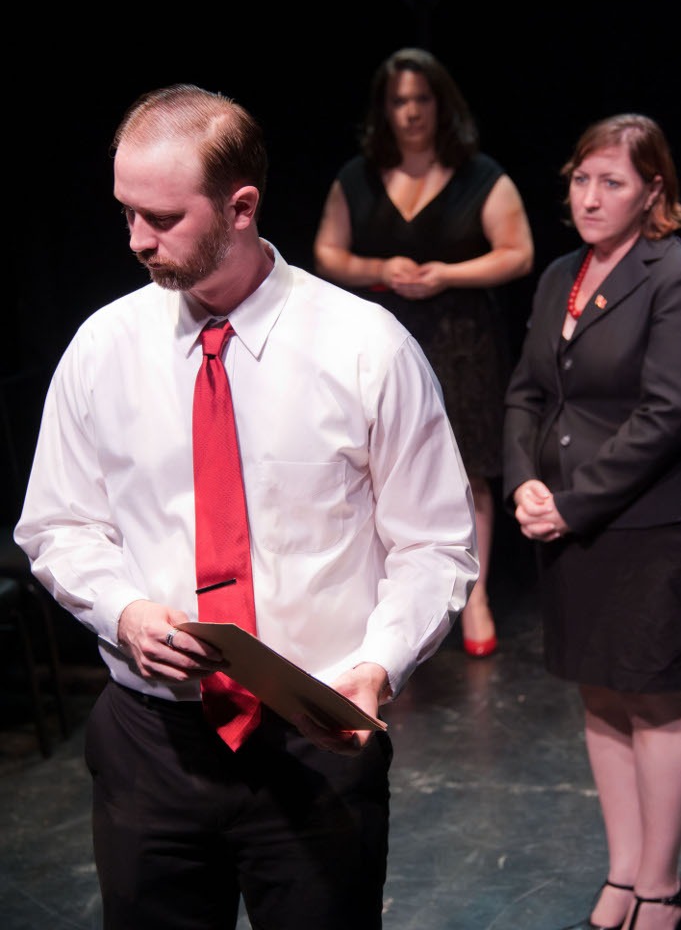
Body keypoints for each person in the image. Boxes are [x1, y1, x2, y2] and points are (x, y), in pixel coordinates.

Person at [15, 84, 478, 930]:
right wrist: (121, 613)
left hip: (312, 741)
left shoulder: (363, 348)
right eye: (125, 214)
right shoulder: (103, 348)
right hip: (150, 746)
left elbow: (432, 547)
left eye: (160, 218)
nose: (134, 241)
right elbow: (58, 523)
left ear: (240, 207)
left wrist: (376, 666)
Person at [504, 114, 681, 930]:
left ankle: (661, 882)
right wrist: (525, 484)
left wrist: (573, 503)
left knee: (652, 702)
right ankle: (620, 871)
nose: (589, 196)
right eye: (580, 179)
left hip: (644, 527)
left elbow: (665, 412)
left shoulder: (670, 271)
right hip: (566, 524)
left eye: (611, 182)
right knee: (599, 698)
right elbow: (526, 393)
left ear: (652, 191)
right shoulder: (557, 277)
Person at [314, 47, 533, 657]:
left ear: (441, 104)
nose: (411, 112)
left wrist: (448, 275)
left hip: (461, 338)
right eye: (399, 101)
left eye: (421, 99)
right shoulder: (358, 177)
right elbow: (327, 253)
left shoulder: (477, 173)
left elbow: (517, 251)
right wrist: (379, 266)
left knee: (469, 468)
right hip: (379, 335)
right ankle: (390, 606)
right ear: (385, 110)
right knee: (378, 471)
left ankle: (476, 595)